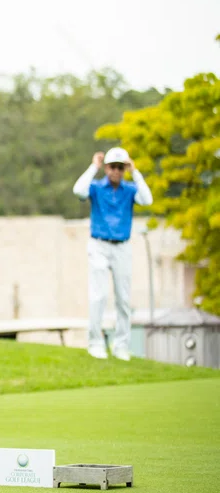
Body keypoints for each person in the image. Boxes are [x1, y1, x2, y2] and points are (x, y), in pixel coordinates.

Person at [73, 146, 153, 360]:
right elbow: (78, 191)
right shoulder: (97, 188)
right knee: (98, 296)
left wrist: (135, 172)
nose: (116, 171)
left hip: (122, 247)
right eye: (112, 167)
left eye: (120, 167)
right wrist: (94, 167)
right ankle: (95, 342)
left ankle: (121, 345)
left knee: (124, 299)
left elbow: (148, 200)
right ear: (106, 167)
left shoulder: (129, 190)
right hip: (99, 245)